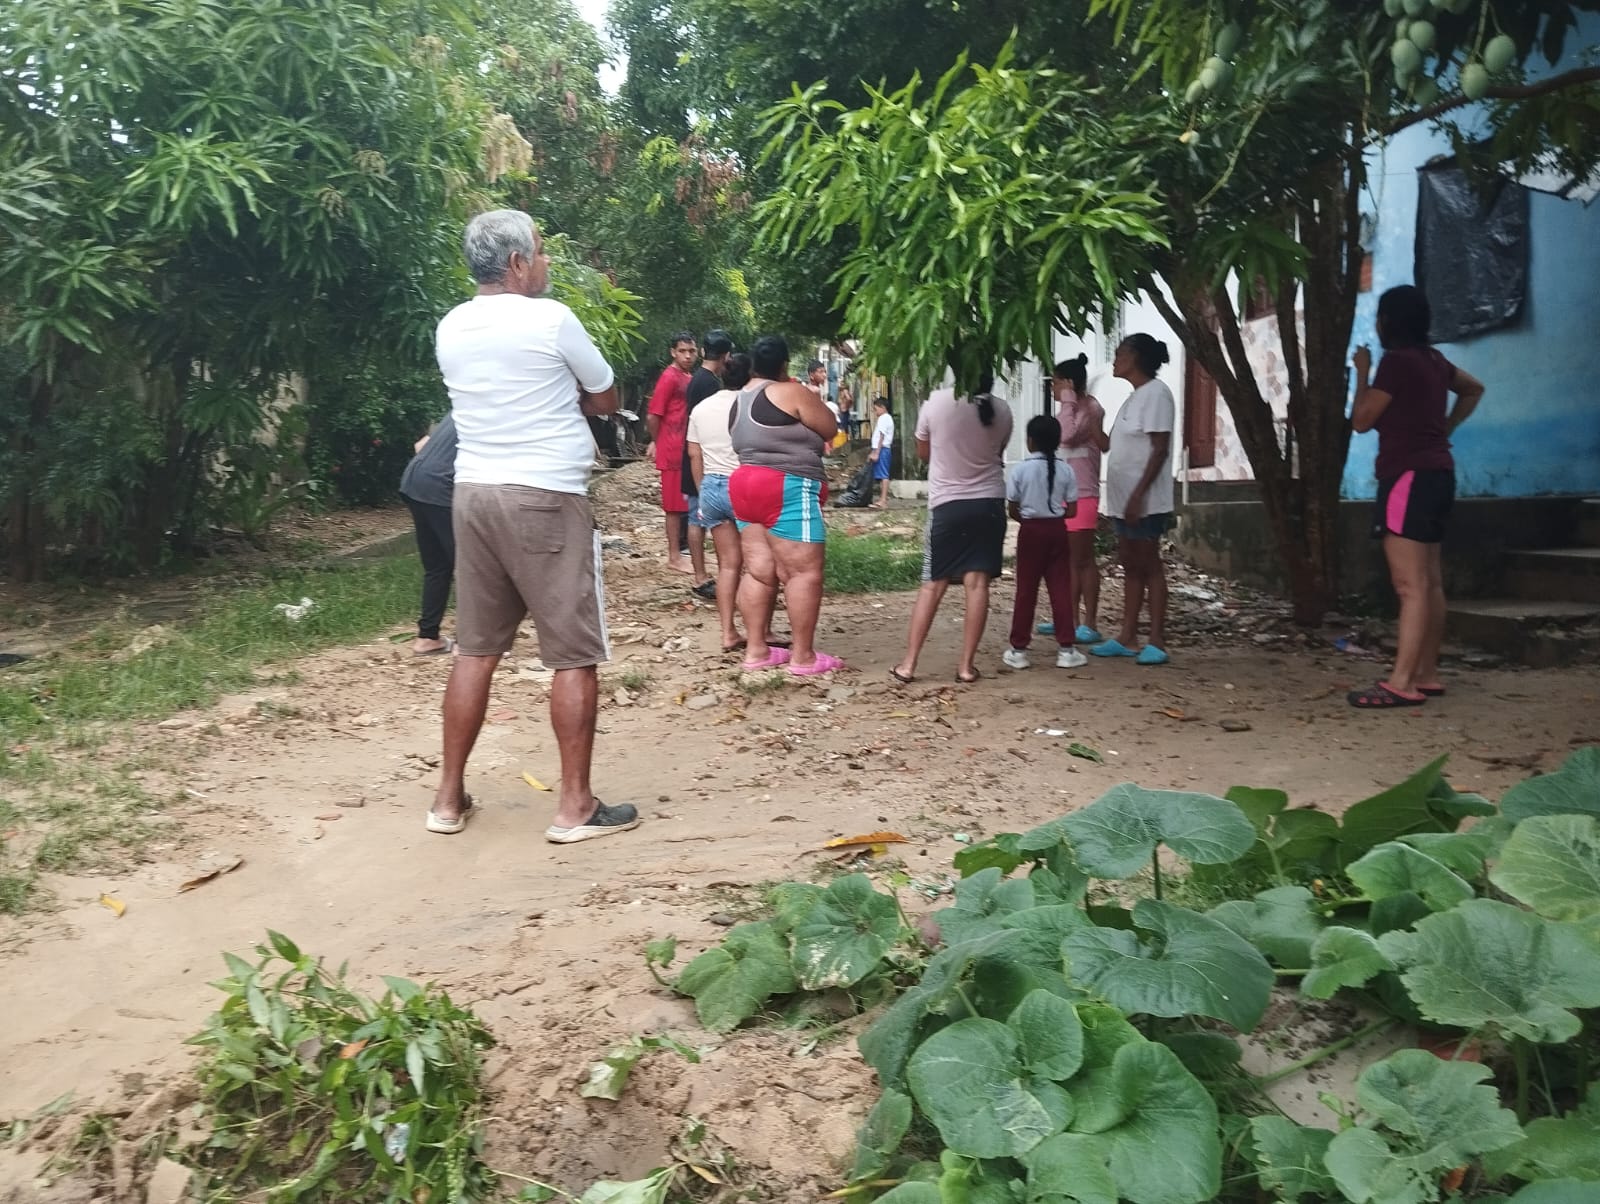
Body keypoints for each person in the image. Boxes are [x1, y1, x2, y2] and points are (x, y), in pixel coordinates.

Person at [429, 209, 639, 844]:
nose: (546, 263)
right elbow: (604, 397)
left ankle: (447, 798)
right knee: (574, 653)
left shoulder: (451, 325)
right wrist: (562, 396)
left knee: (475, 648)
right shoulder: (551, 320)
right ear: (518, 263)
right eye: (541, 253)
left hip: (473, 493)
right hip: (545, 494)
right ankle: (575, 806)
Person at [1348, 285, 1484, 708]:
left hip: (1407, 476)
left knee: (1409, 586)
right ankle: (1426, 673)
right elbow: (1474, 388)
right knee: (1429, 581)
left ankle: (1402, 681)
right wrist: (1445, 429)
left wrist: (1363, 373)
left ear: (1388, 322)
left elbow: (1362, 421)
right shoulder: (1434, 361)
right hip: (1438, 473)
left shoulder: (1397, 363)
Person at [730, 335, 844, 676]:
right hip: (786, 485)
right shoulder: (790, 392)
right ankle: (803, 657)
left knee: (759, 571)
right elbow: (829, 428)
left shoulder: (739, 398)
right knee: (803, 573)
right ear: (783, 364)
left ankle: (756, 651)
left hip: (744, 482)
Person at [891, 370, 1014, 685]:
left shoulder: (935, 401)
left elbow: (923, 452)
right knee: (977, 585)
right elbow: (997, 455)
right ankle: (966, 667)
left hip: (948, 505)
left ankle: (908, 664)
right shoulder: (1002, 410)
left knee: (933, 584)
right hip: (989, 505)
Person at [687, 353, 784, 655]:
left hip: (712, 486)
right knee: (760, 565)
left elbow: (694, 454)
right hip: (744, 485)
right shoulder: (752, 404)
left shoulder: (701, 408)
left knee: (728, 565)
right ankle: (762, 631)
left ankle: (729, 632)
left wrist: (703, 491)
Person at [1091, 334, 1176, 665]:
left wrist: (1138, 495)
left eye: (1120, 354)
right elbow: (1110, 444)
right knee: (1130, 564)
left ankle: (1156, 638)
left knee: (1148, 563)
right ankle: (1127, 635)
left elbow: (1160, 449)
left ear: (1136, 358)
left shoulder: (1157, 394)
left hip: (1145, 500)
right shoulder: (1133, 398)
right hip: (1124, 498)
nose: (1114, 360)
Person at [1003, 415, 1086, 670]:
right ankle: (1066, 649)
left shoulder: (1020, 470)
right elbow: (1071, 511)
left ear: (1030, 441)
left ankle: (1019, 650)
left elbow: (1012, 509)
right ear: (1057, 441)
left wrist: (1029, 518)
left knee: (1026, 590)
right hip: (1057, 531)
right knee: (1061, 589)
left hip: (1031, 531)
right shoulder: (1066, 470)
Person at [1048, 354, 1109, 643]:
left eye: (1055, 382)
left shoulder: (1090, 408)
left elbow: (1067, 436)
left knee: (1083, 559)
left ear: (1068, 384)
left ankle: (1090, 622)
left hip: (1084, 494)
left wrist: (1068, 400)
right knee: (1067, 561)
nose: (1051, 387)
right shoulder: (1070, 408)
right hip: (1063, 495)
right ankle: (1068, 619)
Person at [399, 414, 458, 656]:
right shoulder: (496, 412)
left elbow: (420, 445)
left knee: (438, 566)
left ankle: (427, 637)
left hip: (414, 481)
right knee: (470, 566)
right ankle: (470, 643)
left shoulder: (463, 405)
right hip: (441, 487)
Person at [681, 330, 734, 598]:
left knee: (698, 517)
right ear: (726, 356)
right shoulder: (709, 384)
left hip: (697, 455)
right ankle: (700, 575)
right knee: (696, 517)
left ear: (703, 351)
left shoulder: (699, 379)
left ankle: (702, 572)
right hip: (701, 458)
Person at [648, 331, 698, 575]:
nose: (687, 356)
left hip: (684, 447)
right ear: (673, 352)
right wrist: (657, 442)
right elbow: (653, 414)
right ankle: (674, 556)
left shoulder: (686, 376)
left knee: (683, 504)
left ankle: (682, 553)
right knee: (673, 507)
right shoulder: (669, 377)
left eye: (691, 351)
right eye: (682, 351)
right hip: (672, 448)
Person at [868, 396, 894, 509]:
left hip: (882, 449)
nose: (875, 412)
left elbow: (882, 436)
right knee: (881, 474)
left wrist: (876, 452)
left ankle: (883, 500)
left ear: (882, 407)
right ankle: (881, 499)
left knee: (884, 475)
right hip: (881, 449)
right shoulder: (885, 418)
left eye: (876, 409)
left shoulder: (884, 418)